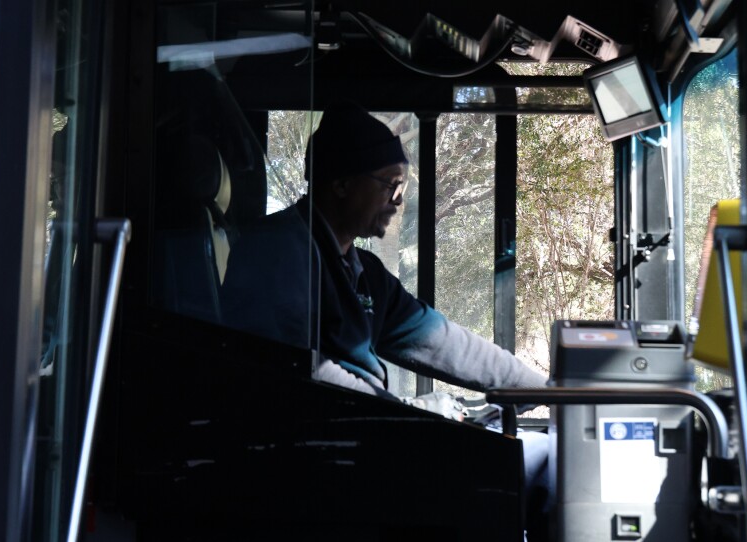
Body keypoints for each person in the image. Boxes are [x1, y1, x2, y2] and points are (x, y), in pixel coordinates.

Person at [220, 100, 549, 538]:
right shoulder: (279, 251)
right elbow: (299, 375)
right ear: (340, 183)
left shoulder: (362, 270)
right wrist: (405, 419)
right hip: (327, 460)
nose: (399, 199)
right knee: (526, 471)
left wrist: (539, 388)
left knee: (542, 455)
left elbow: (438, 338)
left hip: (366, 440)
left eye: (403, 185)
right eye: (389, 184)